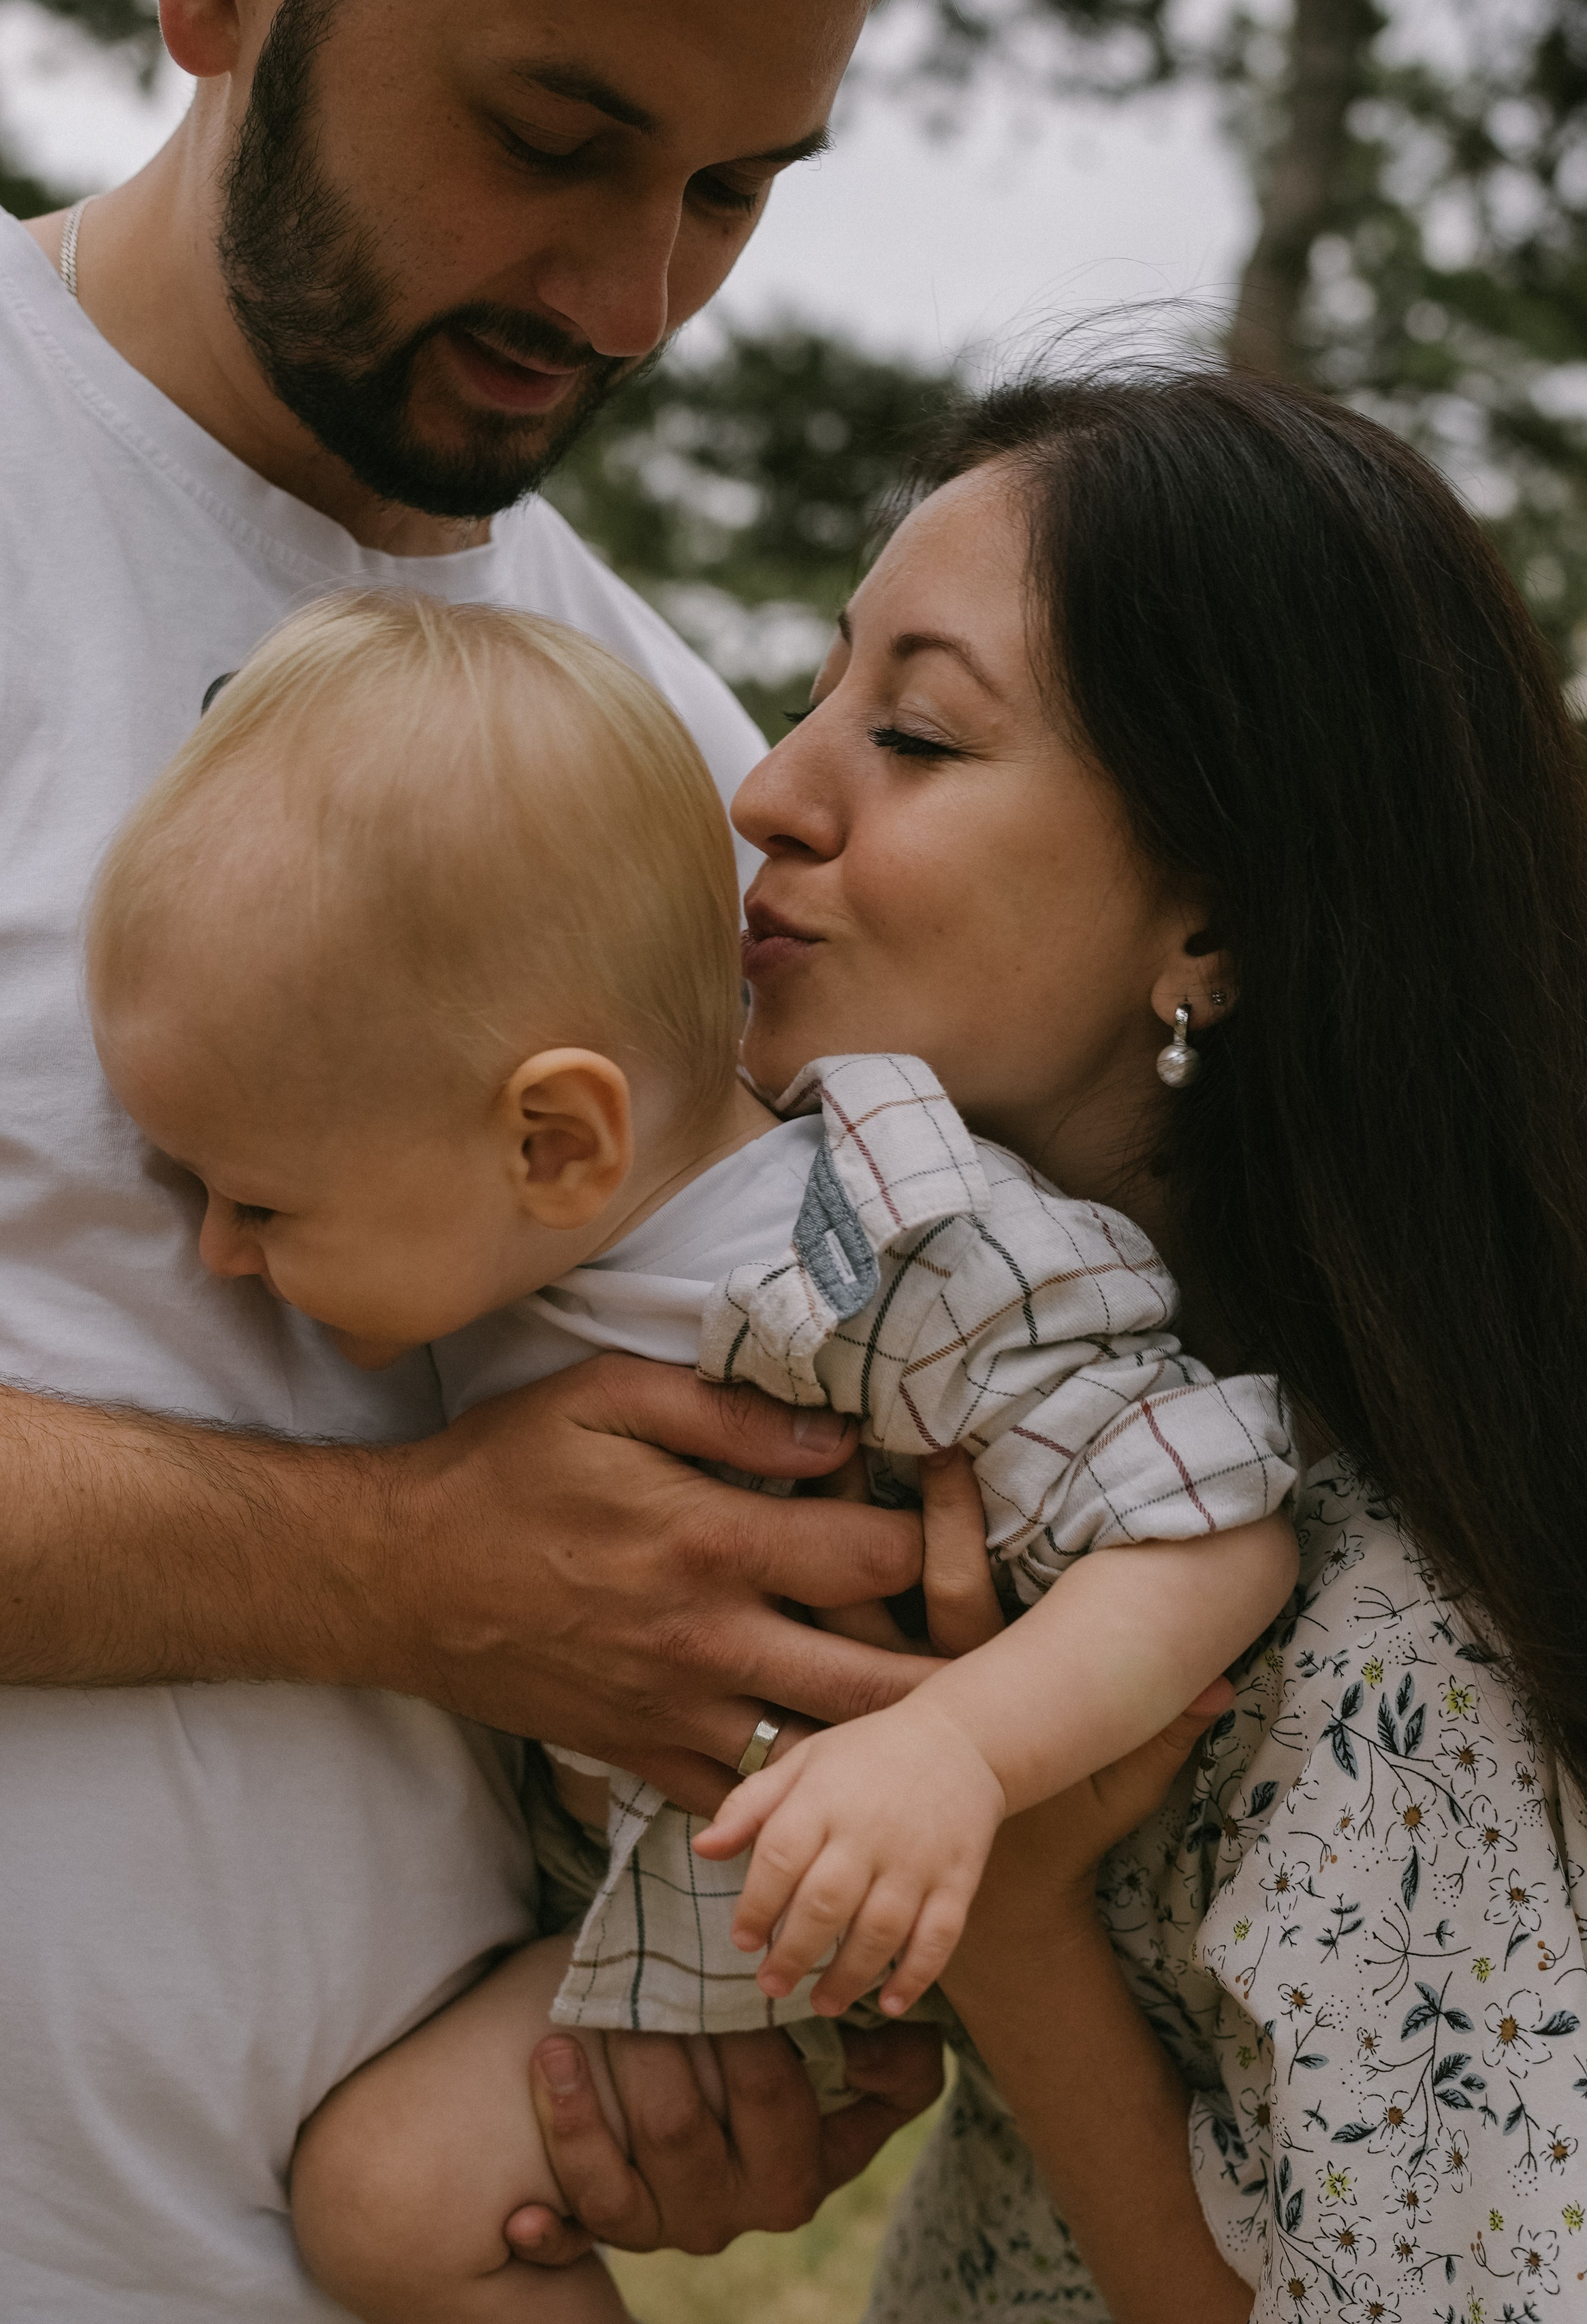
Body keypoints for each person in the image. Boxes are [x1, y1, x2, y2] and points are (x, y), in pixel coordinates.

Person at [0, 0, 949, 2314]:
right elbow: (471, 1569)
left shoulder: (671, 754)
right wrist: (392, 1569)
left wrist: (680, 2004)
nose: (634, 299)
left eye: (740, 193)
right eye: (556, 134)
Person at [81, 581, 1299, 2319]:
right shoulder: (508, 1225)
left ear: (557, 1139)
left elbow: (1216, 1524)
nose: (214, 1254)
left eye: (259, 1201)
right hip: (668, 1910)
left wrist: (953, 1755)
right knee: (392, 2200)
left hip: (885, 1870)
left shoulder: (875, 1249)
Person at [524, 366, 1587, 2317]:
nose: (768, 784)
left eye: (917, 730)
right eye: (826, 685)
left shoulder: (1393, 1672)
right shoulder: (971, 1429)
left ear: (1215, 921)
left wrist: (1011, 1920)